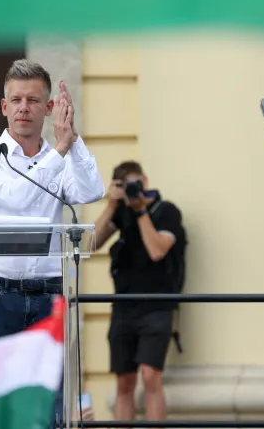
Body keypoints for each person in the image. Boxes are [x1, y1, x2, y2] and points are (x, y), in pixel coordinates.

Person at [0, 59, 105, 422]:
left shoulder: (59, 156)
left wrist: (72, 140)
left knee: (49, 406)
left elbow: (92, 190)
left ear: (49, 108)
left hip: (47, 291)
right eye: (17, 100)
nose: (24, 108)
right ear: (4, 106)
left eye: (34, 100)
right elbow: (17, 196)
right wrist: (59, 152)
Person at [91, 161, 186, 422]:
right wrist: (111, 204)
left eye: (136, 184)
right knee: (124, 381)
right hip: (124, 306)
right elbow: (89, 245)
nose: (134, 190)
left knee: (150, 375)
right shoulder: (120, 212)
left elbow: (157, 250)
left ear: (145, 180)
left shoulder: (166, 212)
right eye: (126, 186)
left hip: (157, 304)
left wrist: (141, 211)